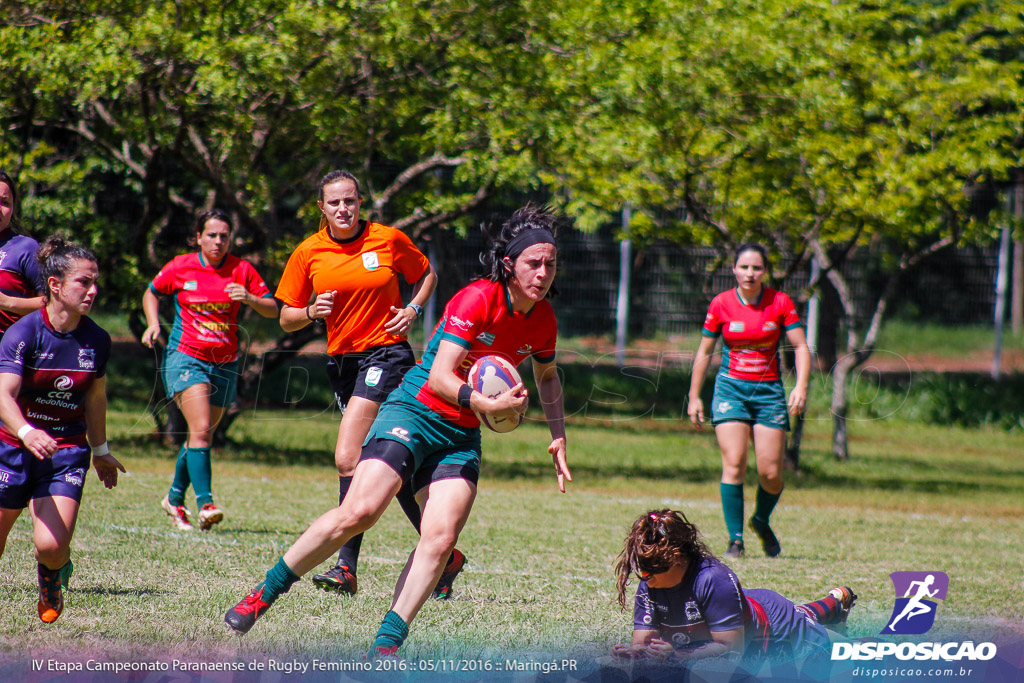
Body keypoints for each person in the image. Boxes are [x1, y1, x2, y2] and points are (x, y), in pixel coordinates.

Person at [224, 204, 572, 657]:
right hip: (414, 411)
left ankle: (386, 646)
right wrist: (487, 402)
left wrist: (558, 433)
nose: (543, 273)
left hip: (460, 435)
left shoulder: (543, 320)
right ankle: (265, 593)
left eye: (550, 264)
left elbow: (547, 376)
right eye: (534, 263)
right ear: (509, 264)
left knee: (442, 540)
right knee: (361, 511)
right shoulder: (477, 299)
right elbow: (442, 377)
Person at [273, 170, 451, 597]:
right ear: (322, 208)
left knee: (347, 457)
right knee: (387, 465)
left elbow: (427, 274)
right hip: (342, 363)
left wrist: (412, 309)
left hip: (387, 354)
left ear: (360, 201)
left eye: (350, 200)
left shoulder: (387, 239)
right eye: (334, 203)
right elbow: (285, 316)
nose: (343, 209)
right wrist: (313, 310)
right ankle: (444, 556)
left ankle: (345, 567)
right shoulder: (308, 252)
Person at [0, 235, 125, 623]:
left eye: (95, 281)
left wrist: (101, 451)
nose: (93, 290)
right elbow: (3, 394)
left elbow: (96, 398)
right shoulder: (23, 333)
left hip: (65, 450)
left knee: (52, 547)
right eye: (83, 282)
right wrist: (26, 432)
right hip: (12, 446)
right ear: (54, 285)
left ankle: (51, 578)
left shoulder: (97, 340)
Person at [142, 209, 278, 531]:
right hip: (185, 357)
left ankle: (174, 499)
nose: (218, 242)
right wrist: (152, 324)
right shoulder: (181, 266)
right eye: (212, 235)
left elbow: (273, 308)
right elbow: (152, 292)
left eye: (224, 236)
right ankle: (206, 504)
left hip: (225, 363)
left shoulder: (242, 270)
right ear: (198, 237)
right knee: (201, 429)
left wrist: (249, 298)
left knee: (201, 435)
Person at [687, 243, 810, 558]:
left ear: (765, 271)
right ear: (734, 269)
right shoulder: (722, 303)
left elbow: (800, 346)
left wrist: (801, 386)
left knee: (771, 473)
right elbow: (704, 352)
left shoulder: (780, 302)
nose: (750, 273)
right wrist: (694, 396)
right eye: (744, 267)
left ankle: (760, 520)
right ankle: (736, 540)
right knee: (735, 463)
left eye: (756, 268)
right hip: (730, 392)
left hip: (769, 393)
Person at [612, 510, 856, 663]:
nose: (643, 578)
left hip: (776, 626)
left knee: (843, 651)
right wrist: (637, 652)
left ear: (675, 559)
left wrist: (676, 656)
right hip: (742, 607)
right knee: (804, 615)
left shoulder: (712, 580)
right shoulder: (651, 582)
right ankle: (835, 601)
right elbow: (644, 640)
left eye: (648, 570)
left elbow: (730, 649)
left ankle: (835, 605)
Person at [0, 171, 45, 336]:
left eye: (5, 202)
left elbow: (52, 305)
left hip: (9, 351)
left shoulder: (25, 248)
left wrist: (7, 302)